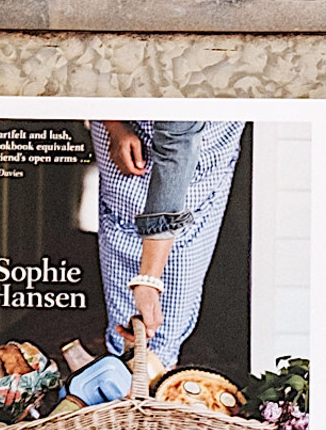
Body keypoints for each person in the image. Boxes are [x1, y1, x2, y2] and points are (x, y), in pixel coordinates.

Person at [92, 113, 248, 375]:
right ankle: (123, 366)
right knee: (124, 216)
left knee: (177, 250)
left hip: (193, 138)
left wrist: (150, 279)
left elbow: (176, 149)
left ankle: (154, 371)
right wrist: (114, 123)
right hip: (126, 116)